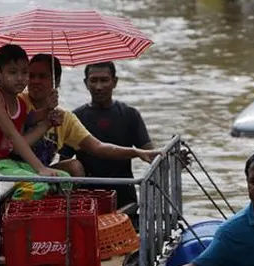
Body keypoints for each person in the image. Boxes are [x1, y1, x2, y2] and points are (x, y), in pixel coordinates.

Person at [22, 54, 162, 179]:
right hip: (16, 171)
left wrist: (137, 152)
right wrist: (46, 115)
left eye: (42, 76)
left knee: (74, 166)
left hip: (45, 174)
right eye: (31, 76)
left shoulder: (65, 117)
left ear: (56, 82)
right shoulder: (17, 102)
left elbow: (98, 147)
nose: (35, 81)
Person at [0, 45, 64, 200]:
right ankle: (5, 219)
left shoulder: (20, 104)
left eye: (24, 72)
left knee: (64, 179)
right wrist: (41, 169)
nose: (20, 78)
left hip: (3, 163)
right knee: (38, 185)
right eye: (13, 72)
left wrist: (48, 117)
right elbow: (13, 135)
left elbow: (17, 145)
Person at [59, 62, 153, 213]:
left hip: (123, 197)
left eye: (104, 80)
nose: (98, 87)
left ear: (114, 82)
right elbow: (64, 163)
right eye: (93, 80)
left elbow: (150, 155)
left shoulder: (129, 114)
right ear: (85, 83)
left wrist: (173, 161)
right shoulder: (75, 118)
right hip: (86, 199)